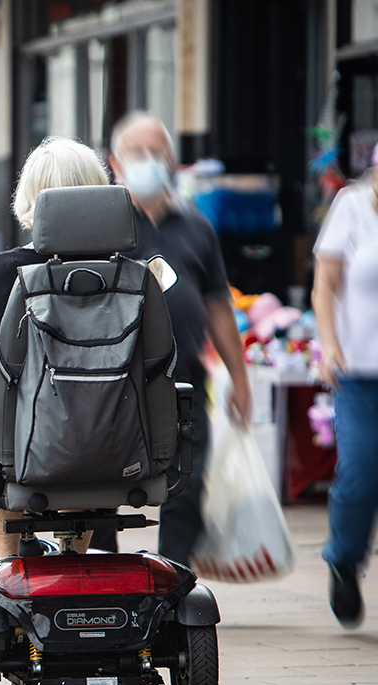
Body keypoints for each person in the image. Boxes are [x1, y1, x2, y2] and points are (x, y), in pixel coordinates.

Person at [107, 112, 252, 566]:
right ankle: (98, 577)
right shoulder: (103, 224)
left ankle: (172, 587)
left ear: (171, 159)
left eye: (157, 152)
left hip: (183, 381)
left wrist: (240, 380)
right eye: (138, 153)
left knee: (186, 486)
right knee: (98, 487)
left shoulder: (197, 227)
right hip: (113, 385)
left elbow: (217, 308)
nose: (149, 161)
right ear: (115, 162)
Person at [0, 136, 111, 559]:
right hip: (112, 443)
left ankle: (5, 561)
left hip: (24, 444)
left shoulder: (0, 271)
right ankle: (75, 557)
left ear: (30, 197)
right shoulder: (131, 275)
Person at [310, 143, 378, 628]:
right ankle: (344, 557)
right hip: (358, 374)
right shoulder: (351, 208)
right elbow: (325, 285)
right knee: (360, 473)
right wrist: (329, 344)